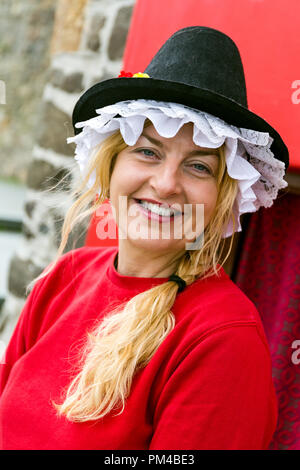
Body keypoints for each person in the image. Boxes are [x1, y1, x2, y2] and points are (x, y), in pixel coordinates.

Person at [0, 26, 289, 450]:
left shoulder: (224, 338)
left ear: (223, 199)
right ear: (110, 167)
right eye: (148, 152)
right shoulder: (63, 279)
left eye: (199, 167)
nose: (166, 184)